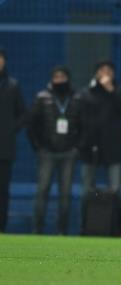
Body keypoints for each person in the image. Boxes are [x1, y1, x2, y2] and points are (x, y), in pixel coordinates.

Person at [28, 66, 80, 235]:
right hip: (47, 153)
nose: (59, 80)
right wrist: (38, 146)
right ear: (51, 79)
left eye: (62, 76)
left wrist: (76, 147)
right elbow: (32, 124)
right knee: (42, 190)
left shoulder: (75, 98)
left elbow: (83, 124)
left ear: (68, 78)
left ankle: (62, 232)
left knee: (65, 193)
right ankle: (37, 230)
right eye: (56, 77)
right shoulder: (42, 98)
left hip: (68, 153)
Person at [79, 61, 121, 215]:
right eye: (102, 70)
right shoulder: (87, 92)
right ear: (96, 73)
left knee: (115, 187)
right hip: (90, 146)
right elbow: (81, 118)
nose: (106, 73)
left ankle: (115, 225)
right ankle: (85, 223)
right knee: (87, 188)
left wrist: (110, 90)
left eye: (109, 70)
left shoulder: (119, 92)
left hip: (112, 146)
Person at [0, 47, 25, 232]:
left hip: (4, 148)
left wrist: (10, 129)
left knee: (2, 191)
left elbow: (23, 114)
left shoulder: (12, 85)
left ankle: (1, 227)